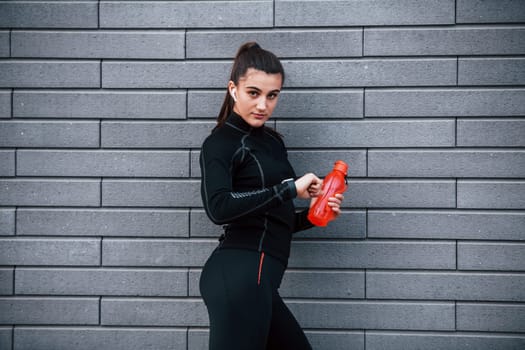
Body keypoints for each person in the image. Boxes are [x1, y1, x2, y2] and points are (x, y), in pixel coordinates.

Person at [199, 42, 344, 350]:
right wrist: (289, 188)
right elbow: (218, 207)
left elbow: (272, 222)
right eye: (254, 93)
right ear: (233, 89)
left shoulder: (272, 143)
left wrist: (314, 215)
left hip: (259, 280)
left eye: (272, 95)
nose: (263, 105)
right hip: (238, 276)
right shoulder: (221, 143)